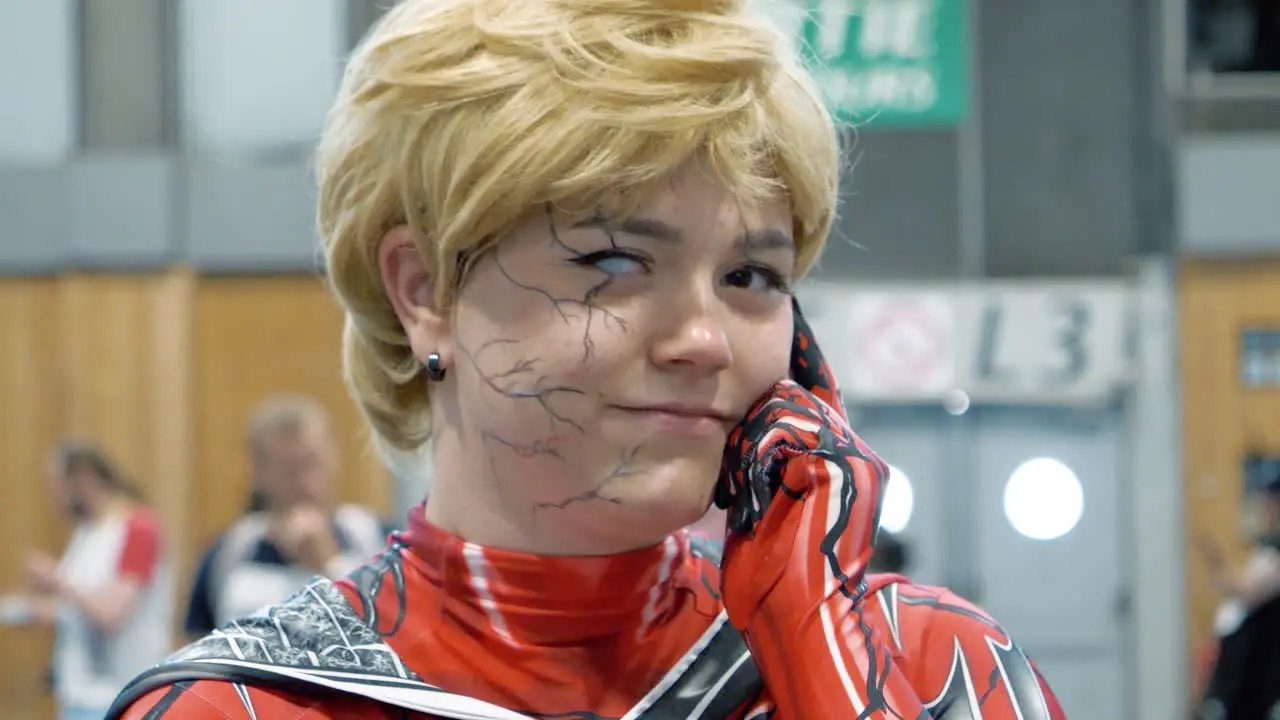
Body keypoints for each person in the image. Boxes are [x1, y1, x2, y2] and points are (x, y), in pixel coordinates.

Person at [108, 0, 1065, 717]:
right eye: (614, 262)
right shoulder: (242, 709)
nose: (702, 340)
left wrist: (819, 661)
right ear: (425, 290)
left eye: (752, 278)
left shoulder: (939, 669)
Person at [183, 395, 387, 637]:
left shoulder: (374, 539)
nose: (304, 482)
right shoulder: (229, 553)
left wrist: (329, 563)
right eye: (288, 469)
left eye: (312, 463)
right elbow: (196, 647)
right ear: (259, 471)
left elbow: (396, 631)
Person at [0, 441, 169, 720]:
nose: (53, 495)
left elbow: (111, 613)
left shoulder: (138, 528)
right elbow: (77, 609)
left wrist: (57, 579)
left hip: (120, 694)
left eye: (58, 483)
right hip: (77, 692)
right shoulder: (87, 532)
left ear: (83, 477)